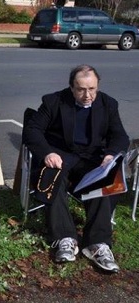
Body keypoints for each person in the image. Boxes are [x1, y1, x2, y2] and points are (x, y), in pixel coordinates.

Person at [23, 64, 129, 273]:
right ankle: (65, 238)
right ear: (71, 87)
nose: (87, 95)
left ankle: (97, 244)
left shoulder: (108, 104)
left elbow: (119, 135)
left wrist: (110, 154)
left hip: (90, 159)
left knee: (104, 180)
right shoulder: (53, 101)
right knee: (55, 179)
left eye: (92, 89)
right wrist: (47, 153)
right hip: (59, 156)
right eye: (81, 89)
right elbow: (32, 130)